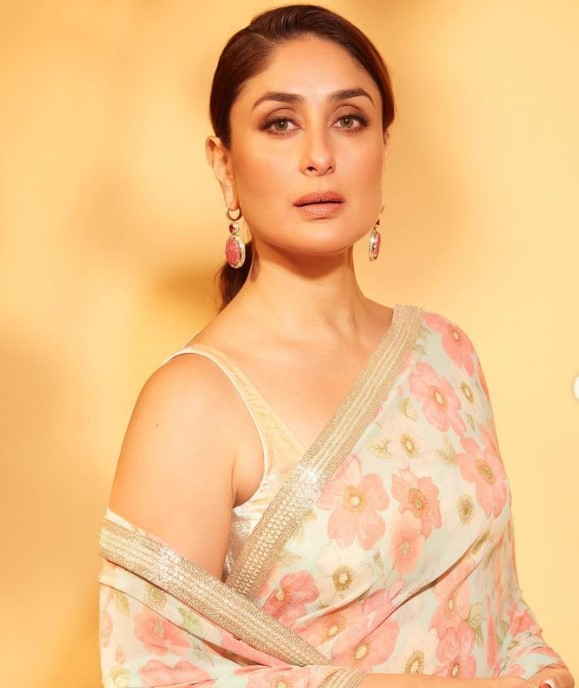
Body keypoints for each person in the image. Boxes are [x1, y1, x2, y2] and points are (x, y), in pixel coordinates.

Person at [98, 5, 573, 688]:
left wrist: (545, 676)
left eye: (348, 120)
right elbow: (159, 676)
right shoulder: (194, 403)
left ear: (384, 146)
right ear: (224, 165)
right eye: (280, 123)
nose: (319, 155)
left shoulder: (445, 353)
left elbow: (502, 616)